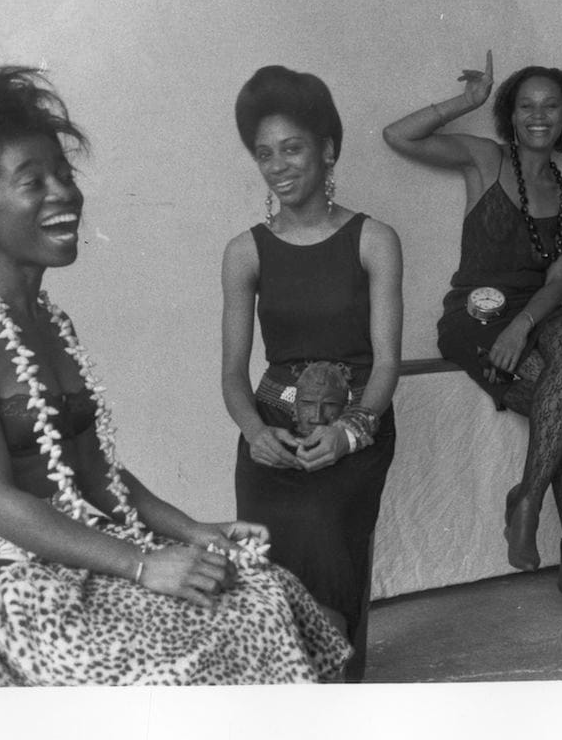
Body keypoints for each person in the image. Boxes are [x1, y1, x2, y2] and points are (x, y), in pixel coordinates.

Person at [0, 22, 349, 687]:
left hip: (60, 554)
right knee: (214, 644)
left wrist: (191, 529)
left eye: (63, 174)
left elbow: (95, 473)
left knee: (269, 595)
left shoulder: (46, 318)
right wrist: (143, 563)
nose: (63, 192)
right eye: (32, 182)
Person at [383, 52, 562, 625]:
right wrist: (469, 100)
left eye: (551, 106)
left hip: (532, 317)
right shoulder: (485, 161)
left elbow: (559, 281)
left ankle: (528, 495)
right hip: (472, 318)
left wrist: (523, 324)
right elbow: (399, 135)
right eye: (525, 106)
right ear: (511, 117)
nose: (538, 116)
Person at [223, 65, 403, 682]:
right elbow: (232, 375)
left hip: (354, 432)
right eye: (264, 153)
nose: (278, 165)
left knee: (326, 548)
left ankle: (333, 697)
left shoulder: (373, 239)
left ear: (327, 150)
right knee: (268, 584)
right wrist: (254, 433)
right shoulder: (245, 251)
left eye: (292, 148)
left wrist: (351, 431)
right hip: (272, 435)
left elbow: (386, 363)